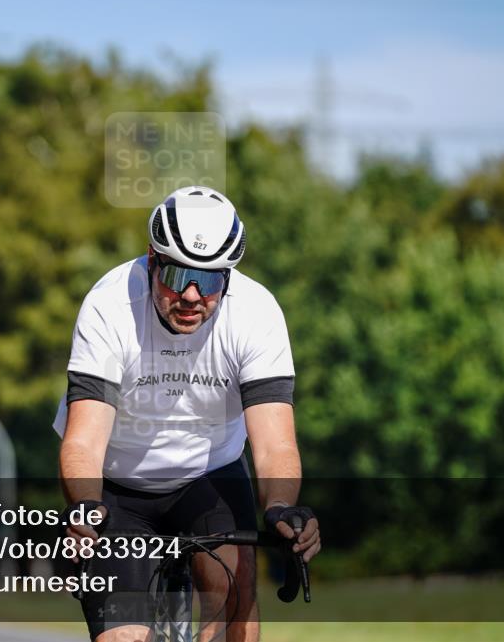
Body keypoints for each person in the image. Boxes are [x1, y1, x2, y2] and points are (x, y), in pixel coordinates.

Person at [53, 187, 321, 642]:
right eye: (178, 275)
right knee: (124, 637)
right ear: (152, 261)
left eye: (211, 279)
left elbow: (275, 443)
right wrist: (83, 507)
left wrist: (279, 506)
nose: (193, 295)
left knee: (234, 606)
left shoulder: (256, 313)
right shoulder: (109, 306)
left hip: (210, 476)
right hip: (118, 485)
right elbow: (83, 441)